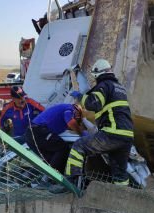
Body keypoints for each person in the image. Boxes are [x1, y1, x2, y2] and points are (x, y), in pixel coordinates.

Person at [50, 59, 134, 193]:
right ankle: (123, 198)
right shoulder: (120, 88)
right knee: (120, 172)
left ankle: (69, 185)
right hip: (127, 136)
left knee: (79, 146)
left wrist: (80, 96)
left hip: (112, 133)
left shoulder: (104, 85)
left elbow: (93, 104)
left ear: (96, 75)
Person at [25, 104, 84, 178]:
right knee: (63, 147)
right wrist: (81, 133)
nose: (76, 120)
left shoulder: (60, 117)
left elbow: (70, 124)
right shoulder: (70, 109)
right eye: (77, 118)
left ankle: (27, 176)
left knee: (51, 160)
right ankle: (46, 179)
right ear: (77, 111)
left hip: (31, 134)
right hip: (38, 131)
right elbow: (71, 122)